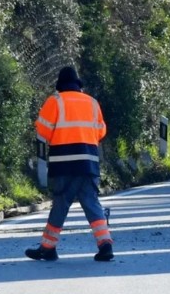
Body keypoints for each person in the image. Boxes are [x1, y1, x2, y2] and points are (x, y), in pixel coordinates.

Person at [25, 66, 114, 262]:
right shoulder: (92, 103)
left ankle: (48, 248)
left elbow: (42, 132)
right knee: (91, 203)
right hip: (88, 163)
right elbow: (101, 132)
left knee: (60, 204)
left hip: (63, 163)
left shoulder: (55, 101)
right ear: (78, 84)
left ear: (60, 85)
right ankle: (105, 243)